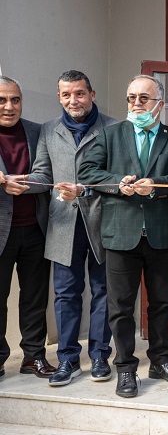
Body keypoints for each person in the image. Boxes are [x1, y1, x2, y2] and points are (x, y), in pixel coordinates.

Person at [78, 74, 168, 398]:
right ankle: (125, 368)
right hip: (120, 233)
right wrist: (118, 183)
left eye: (144, 98)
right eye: (131, 98)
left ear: (159, 104)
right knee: (120, 307)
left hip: (160, 234)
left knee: (162, 304)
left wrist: (155, 185)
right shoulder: (110, 134)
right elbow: (87, 171)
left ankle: (160, 361)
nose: (136, 103)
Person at [6, 71, 117, 386]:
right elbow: (43, 174)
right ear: (59, 97)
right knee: (66, 294)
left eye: (79, 93)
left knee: (103, 291)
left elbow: (116, 179)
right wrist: (22, 185)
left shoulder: (113, 128)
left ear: (92, 94)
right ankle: (68, 359)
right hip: (63, 224)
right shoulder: (48, 130)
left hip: (102, 222)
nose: (73, 100)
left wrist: (86, 190)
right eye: (66, 95)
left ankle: (100, 356)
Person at [0, 76, 54, 380]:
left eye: (15, 100)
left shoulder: (37, 131)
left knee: (35, 297)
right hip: (1, 231)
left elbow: (45, 175)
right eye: (2, 100)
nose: (9, 107)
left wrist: (18, 185)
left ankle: (34, 356)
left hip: (35, 228)